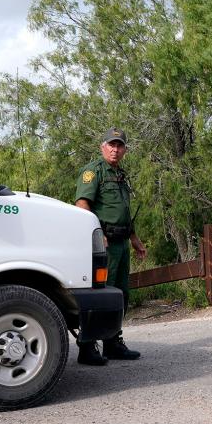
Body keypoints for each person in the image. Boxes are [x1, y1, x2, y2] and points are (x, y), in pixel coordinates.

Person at [74, 127, 147, 366]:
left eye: (120, 145)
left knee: (120, 296)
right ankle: (87, 346)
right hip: (104, 244)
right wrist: (96, 233)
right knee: (100, 295)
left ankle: (113, 342)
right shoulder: (93, 172)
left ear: (125, 149)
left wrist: (134, 239)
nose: (115, 150)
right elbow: (82, 204)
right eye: (111, 145)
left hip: (122, 243)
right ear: (102, 146)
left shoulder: (120, 174)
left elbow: (123, 211)